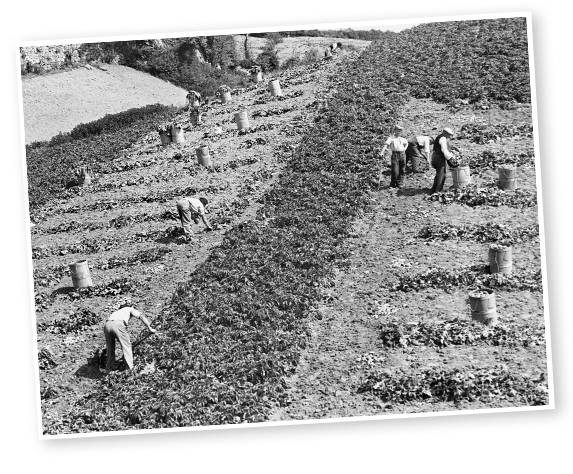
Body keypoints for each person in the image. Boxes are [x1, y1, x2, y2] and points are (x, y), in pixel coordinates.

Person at [103, 303, 156, 373]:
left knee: (110, 349)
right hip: (118, 324)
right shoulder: (130, 309)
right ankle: (130, 369)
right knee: (126, 346)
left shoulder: (117, 312)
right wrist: (150, 328)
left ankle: (109, 370)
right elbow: (141, 316)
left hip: (107, 325)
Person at [430, 127, 456, 194]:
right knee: (441, 174)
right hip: (439, 157)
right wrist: (450, 157)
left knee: (438, 173)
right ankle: (438, 190)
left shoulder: (439, 137)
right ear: (445, 133)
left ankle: (434, 188)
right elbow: (444, 150)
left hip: (434, 156)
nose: (449, 137)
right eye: (449, 135)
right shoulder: (443, 139)